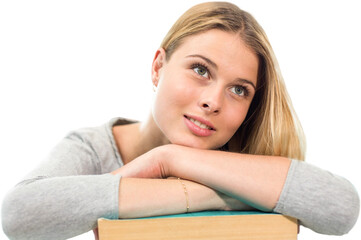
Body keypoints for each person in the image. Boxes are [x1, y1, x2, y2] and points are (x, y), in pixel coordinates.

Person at [1, 2, 359, 240]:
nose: (212, 101)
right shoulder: (94, 149)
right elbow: (20, 216)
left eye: (239, 90)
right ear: (158, 67)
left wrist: (171, 159)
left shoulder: (244, 152)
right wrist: (221, 195)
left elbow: (341, 208)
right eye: (200, 70)